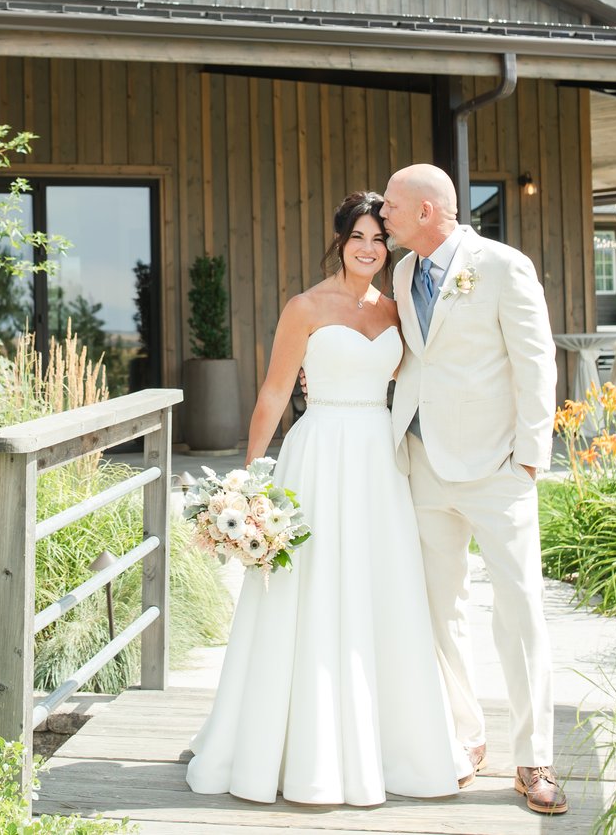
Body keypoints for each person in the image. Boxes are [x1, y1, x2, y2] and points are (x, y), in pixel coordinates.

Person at [185, 191, 471, 806]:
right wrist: (250, 477)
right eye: (358, 238)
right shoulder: (306, 307)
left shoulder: (397, 312)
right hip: (316, 454)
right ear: (339, 241)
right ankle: (293, 747)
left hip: (379, 459)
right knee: (305, 592)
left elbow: (422, 379)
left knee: (383, 589)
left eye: (378, 239)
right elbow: (272, 393)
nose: (369, 249)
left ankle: (392, 747)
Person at [380, 162, 567, 817]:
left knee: (518, 611)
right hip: (423, 461)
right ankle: (463, 738)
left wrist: (530, 458)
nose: (384, 218)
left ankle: (534, 758)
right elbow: (413, 360)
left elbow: (535, 360)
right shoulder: (403, 273)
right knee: (440, 610)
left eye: (392, 208)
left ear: (428, 210)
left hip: (497, 468)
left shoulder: (502, 265)